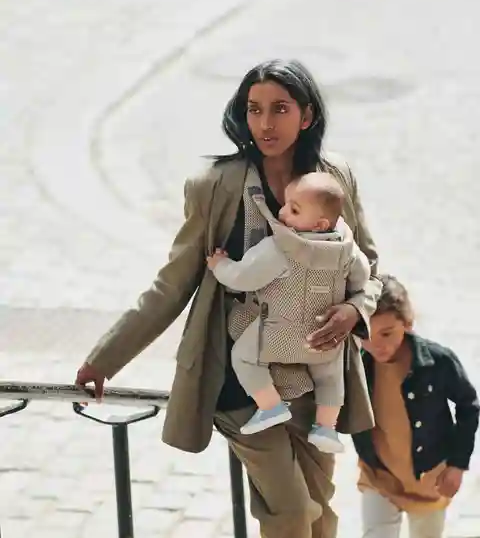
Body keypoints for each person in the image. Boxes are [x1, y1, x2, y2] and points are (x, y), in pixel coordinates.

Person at [75, 59, 381, 538]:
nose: (265, 123)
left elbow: (367, 264)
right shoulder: (215, 186)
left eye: (280, 109)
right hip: (241, 380)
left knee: (320, 513)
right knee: (291, 513)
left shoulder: (333, 178)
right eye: (254, 109)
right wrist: (105, 358)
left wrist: (354, 310)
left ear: (307, 116)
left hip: (315, 379)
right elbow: (173, 283)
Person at [206, 171, 370, 454]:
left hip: (277, 335)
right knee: (330, 377)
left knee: (243, 357)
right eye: (285, 205)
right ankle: (326, 427)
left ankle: (270, 406)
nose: (282, 213)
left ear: (319, 224)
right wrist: (351, 302)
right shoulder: (347, 249)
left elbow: (243, 277)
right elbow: (363, 276)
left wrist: (219, 265)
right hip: (324, 336)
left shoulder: (279, 249)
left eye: (293, 210)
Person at [353, 274, 479, 538]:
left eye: (387, 333)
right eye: (366, 334)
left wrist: (457, 464)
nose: (377, 344)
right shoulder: (358, 365)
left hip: (429, 478)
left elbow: (468, 406)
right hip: (379, 474)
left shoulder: (437, 362)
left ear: (407, 323)